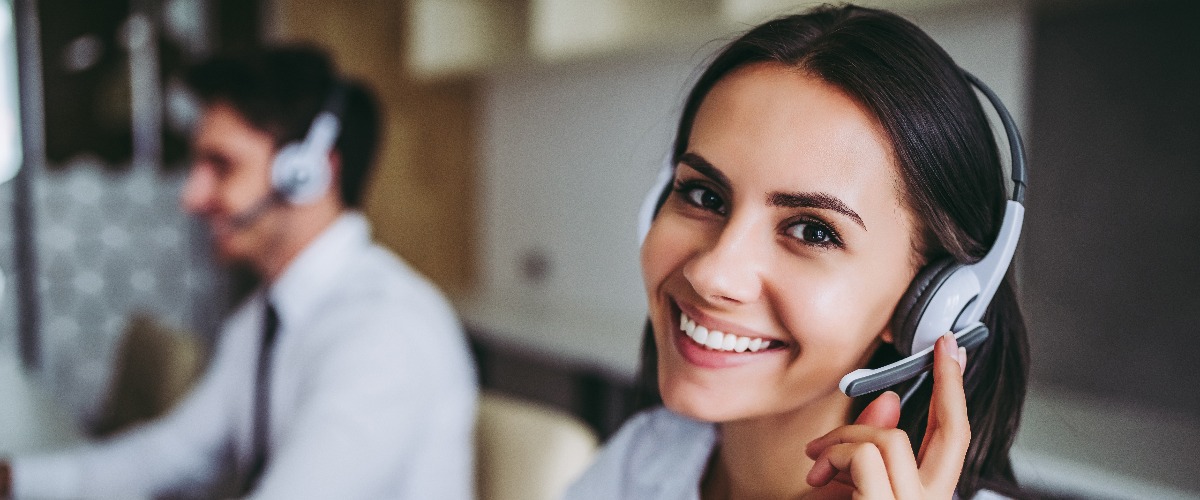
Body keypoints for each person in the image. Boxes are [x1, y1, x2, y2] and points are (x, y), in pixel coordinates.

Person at [565, 5, 1029, 500]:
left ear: (932, 300)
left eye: (812, 231)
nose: (712, 273)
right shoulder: (647, 459)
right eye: (704, 196)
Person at [0, 46, 478, 499]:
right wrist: (13, 480)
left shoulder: (382, 332)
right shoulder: (262, 319)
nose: (191, 196)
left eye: (221, 165)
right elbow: (164, 457)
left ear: (308, 173)